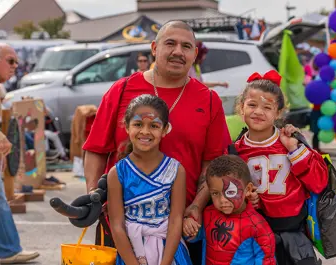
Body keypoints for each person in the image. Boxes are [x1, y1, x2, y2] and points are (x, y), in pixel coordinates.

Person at [82, 20, 231, 264]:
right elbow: (96, 148)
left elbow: (213, 162)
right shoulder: (122, 90)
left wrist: (195, 206)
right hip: (119, 227)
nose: (178, 52)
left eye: (186, 46)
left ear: (195, 54)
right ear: (154, 48)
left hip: (182, 228)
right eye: (170, 43)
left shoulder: (209, 100)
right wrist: (93, 196)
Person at [232, 70, 328, 265]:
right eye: (252, 105)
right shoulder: (235, 151)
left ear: (278, 113)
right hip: (252, 240)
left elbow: (319, 183)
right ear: (241, 109)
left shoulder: (291, 143)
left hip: (292, 242)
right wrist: (245, 199)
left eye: (267, 107)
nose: (258, 112)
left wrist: (294, 149)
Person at [108, 94, 192, 265]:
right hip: (131, 252)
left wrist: (166, 262)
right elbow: (117, 225)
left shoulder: (175, 170)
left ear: (165, 129)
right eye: (138, 124)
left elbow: (176, 220)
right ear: (126, 126)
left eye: (154, 126)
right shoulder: (117, 173)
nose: (145, 132)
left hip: (169, 253)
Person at [0, 43, 39, 263]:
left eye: (16, 62)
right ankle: (9, 250)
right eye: (10, 61)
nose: (15, 66)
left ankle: (9, 249)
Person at [183, 155, 276, 265]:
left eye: (230, 192)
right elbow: (193, 237)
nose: (222, 200)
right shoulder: (209, 214)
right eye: (215, 193)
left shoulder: (258, 226)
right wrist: (188, 225)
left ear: (248, 189)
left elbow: (267, 260)